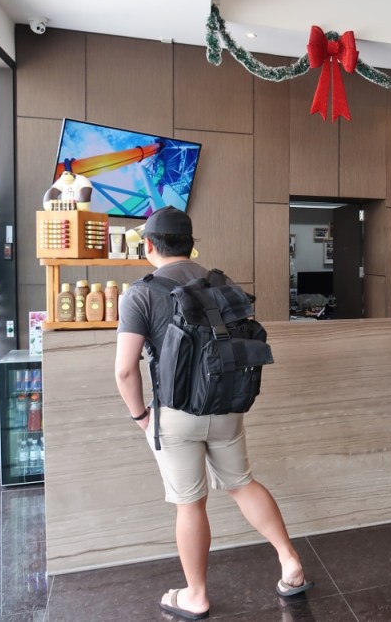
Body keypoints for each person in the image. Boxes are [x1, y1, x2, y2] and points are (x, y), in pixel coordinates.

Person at [114, 206, 312, 620]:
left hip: (176, 412)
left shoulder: (141, 292)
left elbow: (125, 368)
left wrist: (141, 416)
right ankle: (290, 562)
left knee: (190, 504)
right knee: (242, 483)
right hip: (226, 405)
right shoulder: (222, 284)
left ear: (148, 245)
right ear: (191, 244)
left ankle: (196, 595)